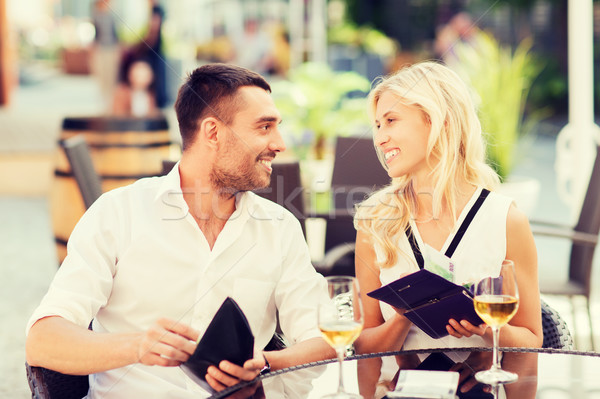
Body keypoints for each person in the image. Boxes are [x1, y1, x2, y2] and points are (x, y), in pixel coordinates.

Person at [26, 63, 335, 398]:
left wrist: (262, 365)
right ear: (213, 133)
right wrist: (138, 345)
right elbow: (43, 341)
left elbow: (324, 338)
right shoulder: (118, 213)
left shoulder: (280, 228)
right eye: (264, 127)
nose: (279, 143)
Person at [352, 61, 542, 392]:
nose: (380, 138)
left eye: (391, 121)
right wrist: (403, 316)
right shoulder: (374, 221)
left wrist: (485, 328)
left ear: (438, 121)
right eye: (378, 125)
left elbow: (531, 340)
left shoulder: (505, 219)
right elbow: (363, 348)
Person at [91, 0, 121, 113]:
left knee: (111, 76)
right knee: (102, 76)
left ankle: (111, 103)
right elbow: (95, 35)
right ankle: (103, 103)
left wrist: (117, 51)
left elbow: (115, 35)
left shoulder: (112, 16)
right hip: (100, 50)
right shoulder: (96, 16)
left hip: (111, 50)